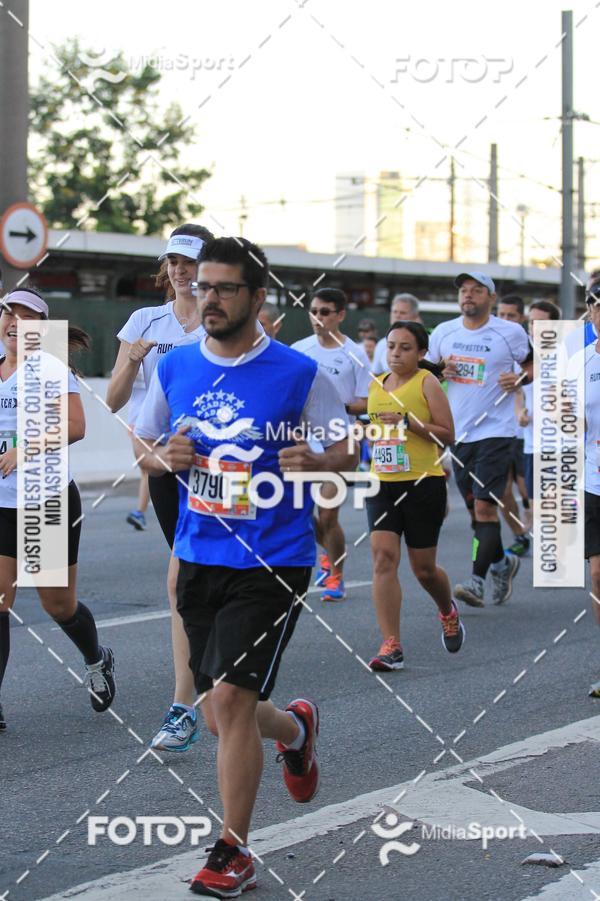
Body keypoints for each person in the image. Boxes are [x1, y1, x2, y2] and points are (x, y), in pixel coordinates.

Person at [134, 237, 354, 898]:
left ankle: (234, 850)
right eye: (204, 286)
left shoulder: (296, 372)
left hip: (273, 558)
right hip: (200, 552)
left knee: (228, 700)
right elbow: (144, 442)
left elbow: (345, 444)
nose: (211, 298)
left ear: (258, 297)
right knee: (216, 710)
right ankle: (295, 728)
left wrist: (316, 465)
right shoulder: (176, 366)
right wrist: (161, 457)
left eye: (227, 288)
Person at [106, 223, 214, 752]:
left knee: (190, 582)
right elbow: (114, 400)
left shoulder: (220, 322)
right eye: (172, 260)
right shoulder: (144, 320)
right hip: (165, 466)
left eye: (189, 261)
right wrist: (131, 359)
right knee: (185, 582)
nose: (179, 269)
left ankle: (189, 699)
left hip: (220, 468)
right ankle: (190, 698)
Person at [0, 288, 115, 731]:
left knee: (58, 605)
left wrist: (24, 450)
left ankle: (96, 657)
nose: (16, 322)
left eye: (28, 317)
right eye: (9, 312)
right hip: (2, 503)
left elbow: (76, 426)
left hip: (46, 502)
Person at [426, 272, 531, 607]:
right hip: (460, 434)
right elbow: (426, 372)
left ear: (491, 297)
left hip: (498, 432)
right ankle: (502, 563)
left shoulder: (509, 332)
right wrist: (441, 370)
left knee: (486, 508)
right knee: (476, 514)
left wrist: (520, 379)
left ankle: (476, 581)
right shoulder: (444, 332)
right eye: (464, 291)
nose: (468, 295)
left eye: (476, 290)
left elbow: (534, 364)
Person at [366, 321, 464, 671]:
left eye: (405, 347)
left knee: (423, 570)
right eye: (392, 346)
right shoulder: (376, 384)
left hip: (423, 483)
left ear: (421, 353)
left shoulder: (428, 382)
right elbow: (376, 429)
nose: (396, 353)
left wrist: (408, 422)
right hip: (381, 483)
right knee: (382, 558)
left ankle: (447, 610)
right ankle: (391, 645)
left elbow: (447, 435)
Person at [292, 288, 370, 601]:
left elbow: (366, 402)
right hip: (303, 442)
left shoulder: (355, 354)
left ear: (340, 315)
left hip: (339, 443)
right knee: (299, 514)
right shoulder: (299, 349)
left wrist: (334, 405)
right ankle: (329, 556)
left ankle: (336, 575)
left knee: (327, 515)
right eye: (314, 311)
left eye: (325, 312)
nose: (318, 318)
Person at [495, 295, 531, 557]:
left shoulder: (529, 350)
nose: (506, 321)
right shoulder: (491, 346)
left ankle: (543, 532)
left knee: (526, 488)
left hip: (528, 432)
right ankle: (520, 535)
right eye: (502, 315)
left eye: (512, 316)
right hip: (499, 431)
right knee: (502, 490)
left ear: (522, 319)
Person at [126, 370, 151, 530]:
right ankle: (140, 512)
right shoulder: (134, 359)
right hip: (139, 422)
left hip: (146, 421)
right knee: (146, 469)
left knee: (146, 469)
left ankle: (140, 511)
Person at [373, 294, 422, 375]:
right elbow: (375, 374)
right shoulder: (382, 344)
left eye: (402, 313)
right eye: (395, 312)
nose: (397, 316)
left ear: (415, 316)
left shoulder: (427, 342)